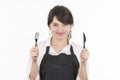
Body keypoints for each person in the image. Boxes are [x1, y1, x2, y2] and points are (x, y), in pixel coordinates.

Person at [28, 5, 89, 80]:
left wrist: (83, 63)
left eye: (65, 25)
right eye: (55, 25)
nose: (60, 29)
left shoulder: (79, 50)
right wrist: (34, 61)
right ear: (49, 26)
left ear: (71, 26)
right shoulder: (39, 48)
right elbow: (32, 79)